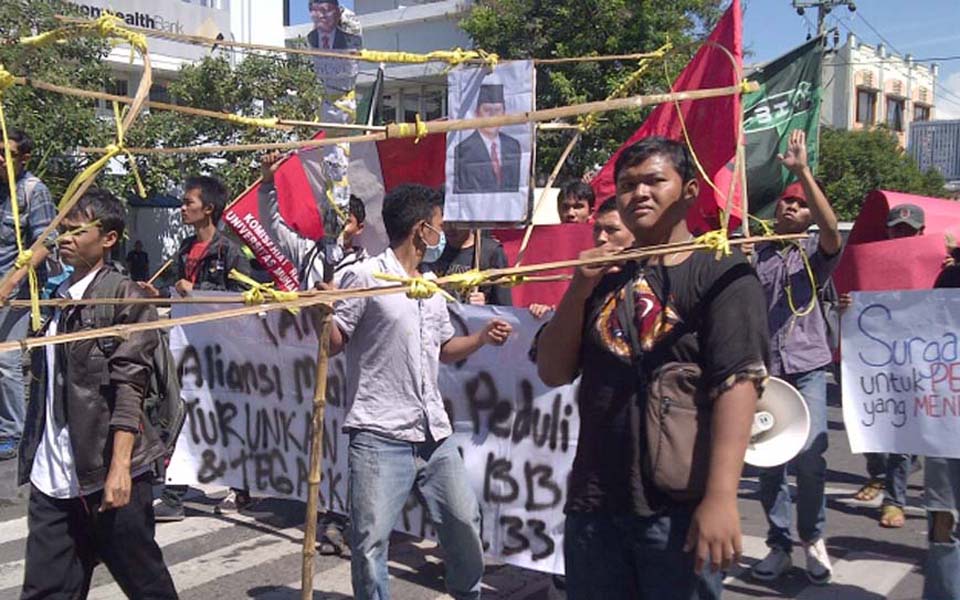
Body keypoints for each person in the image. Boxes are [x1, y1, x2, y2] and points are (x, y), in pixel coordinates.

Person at [535, 136, 770, 600]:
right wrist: (579, 291)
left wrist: (721, 497)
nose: (639, 193)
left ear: (688, 191)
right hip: (595, 505)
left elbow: (738, 383)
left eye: (654, 180)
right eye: (627, 184)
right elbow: (553, 371)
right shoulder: (604, 276)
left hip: (676, 509)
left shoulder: (721, 271)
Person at [329, 183, 512, 599]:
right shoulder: (364, 276)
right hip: (378, 435)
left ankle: (467, 593)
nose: (442, 234)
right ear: (421, 229)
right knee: (371, 542)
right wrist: (323, 313)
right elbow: (334, 343)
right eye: (439, 226)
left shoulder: (430, 284)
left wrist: (481, 338)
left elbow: (444, 349)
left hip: (435, 435)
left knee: (464, 522)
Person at [17, 189, 178, 599]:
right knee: (46, 590)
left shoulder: (124, 298)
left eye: (75, 231)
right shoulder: (56, 298)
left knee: (146, 586)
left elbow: (130, 388)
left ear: (108, 238)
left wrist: (120, 467)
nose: (64, 239)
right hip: (52, 478)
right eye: (61, 231)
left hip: (106, 473)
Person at [749, 129, 843, 585]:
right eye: (787, 202)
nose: (792, 207)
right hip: (763, 373)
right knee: (768, 464)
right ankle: (778, 543)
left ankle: (813, 536)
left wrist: (802, 172)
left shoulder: (815, 253)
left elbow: (831, 231)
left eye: (801, 203)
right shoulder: (756, 254)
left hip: (807, 370)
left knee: (810, 455)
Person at [140, 175, 251, 520]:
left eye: (189, 202)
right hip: (186, 349)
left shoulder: (229, 251)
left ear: (209, 209)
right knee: (181, 414)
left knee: (223, 419)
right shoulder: (186, 248)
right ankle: (174, 495)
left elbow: (243, 301)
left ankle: (241, 487)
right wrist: (157, 294)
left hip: (220, 354)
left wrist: (198, 290)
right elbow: (178, 292)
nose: (182, 208)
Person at [840, 203, 925, 528]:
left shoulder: (938, 265)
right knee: (866, 422)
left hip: (914, 359)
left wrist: (950, 270)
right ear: (888, 230)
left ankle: (894, 499)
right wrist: (845, 304)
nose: (901, 235)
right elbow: (840, 297)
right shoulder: (867, 261)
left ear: (920, 233)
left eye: (909, 230)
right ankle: (879, 472)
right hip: (869, 359)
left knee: (902, 433)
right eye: (896, 229)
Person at [0, 128, 58, 461]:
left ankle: (13, 432)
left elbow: (45, 243)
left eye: (7, 153)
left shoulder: (33, 192)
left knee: (6, 360)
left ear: (24, 158)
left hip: (16, 290)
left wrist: (10, 283)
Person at [258, 151, 368, 289]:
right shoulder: (307, 252)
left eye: (346, 222)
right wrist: (268, 180)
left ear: (359, 228)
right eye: (332, 218)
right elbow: (271, 224)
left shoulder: (367, 269)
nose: (337, 226)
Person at [922, 244, 960, 600]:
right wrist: (861, 316)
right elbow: (916, 329)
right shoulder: (948, 277)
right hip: (949, 416)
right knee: (943, 519)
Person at [527, 196, 634, 320]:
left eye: (612, 230)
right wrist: (551, 314)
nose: (601, 238)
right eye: (597, 229)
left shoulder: (652, 277)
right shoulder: (589, 280)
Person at [454, 84, 523, 194]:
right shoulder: (464, 149)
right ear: (477, 113)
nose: (492, 116)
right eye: (487, 110)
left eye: (497, 110)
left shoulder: (513, 146)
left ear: (504, 114)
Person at [424, 224, 513, 306]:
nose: (450, 228)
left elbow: (503, 306)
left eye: (457, 223)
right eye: (446, 222)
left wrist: (485, 304)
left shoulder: (491, 252)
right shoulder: (433, 250)